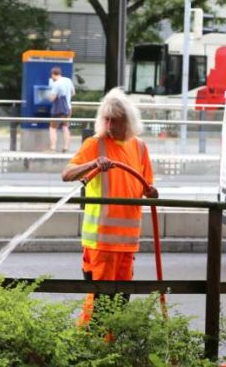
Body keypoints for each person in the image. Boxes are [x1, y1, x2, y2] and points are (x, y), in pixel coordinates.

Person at [61, 87, 158, 326]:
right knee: (99, 303)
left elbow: (147, 187)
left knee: (120, 302)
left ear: (129, 121)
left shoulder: (140, 148)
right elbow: (67, 175)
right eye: (106, 119)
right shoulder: (96, 145)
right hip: (100, 242)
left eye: (116, 120)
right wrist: (93, 163)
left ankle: (111, 350)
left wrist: (152, 193)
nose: (110, 125)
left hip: (127, 243)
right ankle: (88, 348)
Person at [48, 66, 75, 152]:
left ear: (53, 74)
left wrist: (48, 97)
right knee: (65, 127)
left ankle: (53, 148)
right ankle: (66, 147)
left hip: (59, 110)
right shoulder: (68, 80)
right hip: (68, 108)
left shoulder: (56, 84)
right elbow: (73, 93)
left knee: (52, 128)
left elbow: (52, 98)